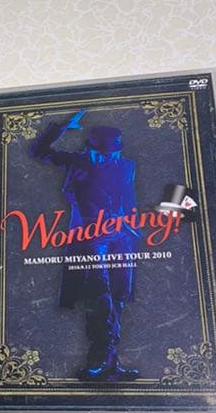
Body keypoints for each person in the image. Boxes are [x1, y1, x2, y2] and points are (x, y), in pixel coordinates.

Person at [31, 114, 140, 381]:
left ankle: (110, 361)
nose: (106, 158)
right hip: (90, 236)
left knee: (119, 296)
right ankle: (100, 359)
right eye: (100, 154)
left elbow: (128, 199)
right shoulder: (75, 161)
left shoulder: (126, 166)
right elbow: (39, 151)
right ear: (88, 149)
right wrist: (62, 127)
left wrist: (132, 229)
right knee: (99, 295)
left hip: (121, 237)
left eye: (111, 154)